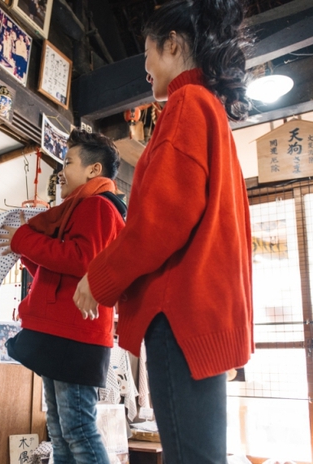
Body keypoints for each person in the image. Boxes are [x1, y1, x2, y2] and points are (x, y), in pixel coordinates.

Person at [72, 1, 253, 462]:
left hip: (180, 313)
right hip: (201, 311)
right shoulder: (208, 109)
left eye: (147, 53)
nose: (146, 68)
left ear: (172, 45)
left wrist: (100, 278)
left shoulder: (187, 105)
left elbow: (160, 223)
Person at [0, 130, 126, 464]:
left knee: (78, 430)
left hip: (75, 333)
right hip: (64, 331)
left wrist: (23, 239)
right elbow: (61, 266)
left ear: (93, 170)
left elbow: (83, 257)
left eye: (68, 162)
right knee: (60, 430)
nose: (62, 170)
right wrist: (24, 250)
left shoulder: (97, 205)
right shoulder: (81, 206)